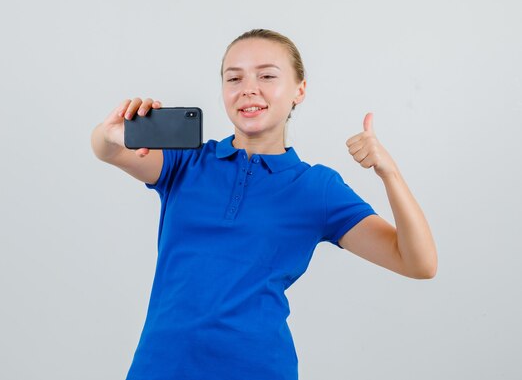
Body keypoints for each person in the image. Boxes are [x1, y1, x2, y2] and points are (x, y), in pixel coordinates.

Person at [91, 29, 437, 380]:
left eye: (267, 75)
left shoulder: (316, 188)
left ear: (299, 90)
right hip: (159, 368)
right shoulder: (187, 162)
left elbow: (418, 262)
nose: (248, 89)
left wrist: (390, 173)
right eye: (234, 78)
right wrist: (109, 134)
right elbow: (111, 152)